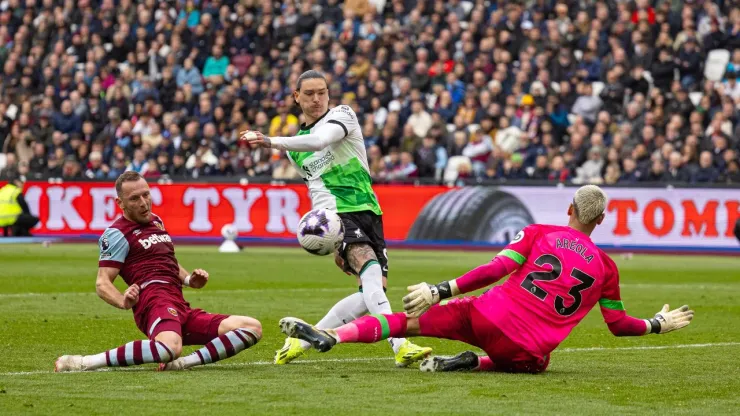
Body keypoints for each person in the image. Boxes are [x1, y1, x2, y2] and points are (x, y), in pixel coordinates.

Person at [279, 185, 695, 373]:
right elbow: (618, 326)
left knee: (403, 322)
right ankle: (473, 364)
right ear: (601, 220)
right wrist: (656, 324)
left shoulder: (540, 233)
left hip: (482, 314)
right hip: (523, 349)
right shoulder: (606, 268)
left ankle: (333, 336)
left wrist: (440, 290)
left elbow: (496, 269)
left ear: (569, 208)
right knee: (539, 364)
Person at [241, 70, 431, 367]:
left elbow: (320, 141)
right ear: (296, 97)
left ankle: (303, 339)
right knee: (369, 270)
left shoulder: (343, 115)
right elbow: (315, 185)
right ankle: (400, 344)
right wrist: (329, 235)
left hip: (368, 209)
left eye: (322, 92)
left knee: (372, 291)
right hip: (336, 214)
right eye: (309, 94)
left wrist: (270, 140)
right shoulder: (294, 148)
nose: (317, 99)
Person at [55, 171, 262, 372]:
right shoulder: (117, 234)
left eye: (146, 194)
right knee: (170, 348)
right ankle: (84, 362)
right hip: (154, 301)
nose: (144, 203)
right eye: (134, 198)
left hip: (179, 304)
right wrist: (123, 301)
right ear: (120, 203)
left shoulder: (156, 220)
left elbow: (166, 261)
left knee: (252, 327)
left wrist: (189, 280)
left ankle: (183, 363)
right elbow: (102, 283)